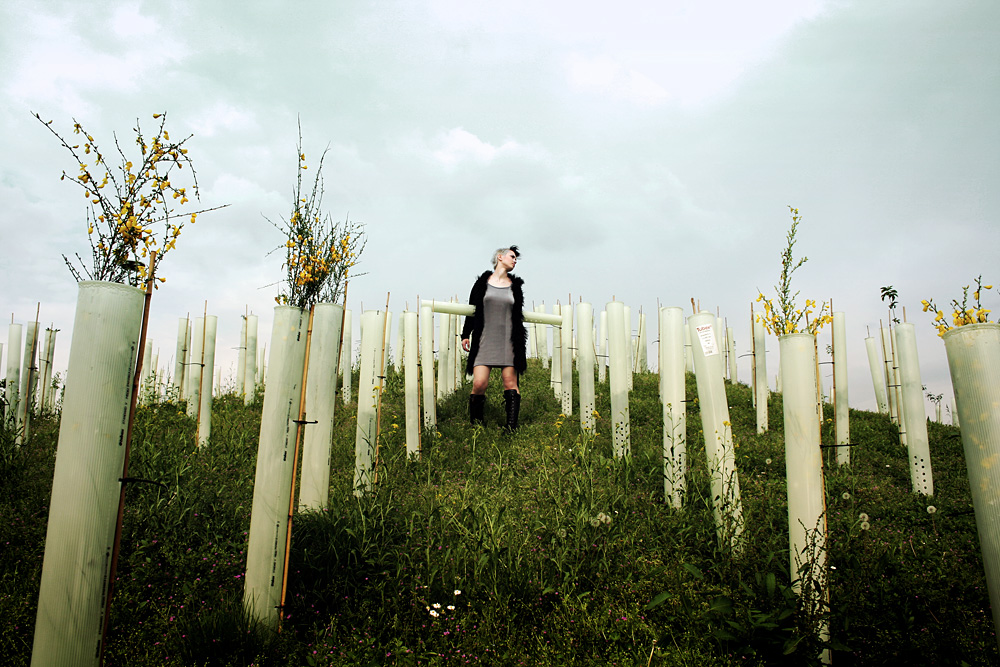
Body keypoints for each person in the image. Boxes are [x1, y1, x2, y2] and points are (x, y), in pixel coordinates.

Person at [461, 245, 527, 430]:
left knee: (510, 383)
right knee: (479, 383)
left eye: (515, 258)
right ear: (500, 257)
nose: (514, 261)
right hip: (484, 338)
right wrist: (465, 334)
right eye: (512, 257)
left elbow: (517, 315)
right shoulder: (482, 283)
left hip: (508, 340)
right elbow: (472, 310)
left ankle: (511, 428)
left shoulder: (516, 286)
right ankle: (477, 426)